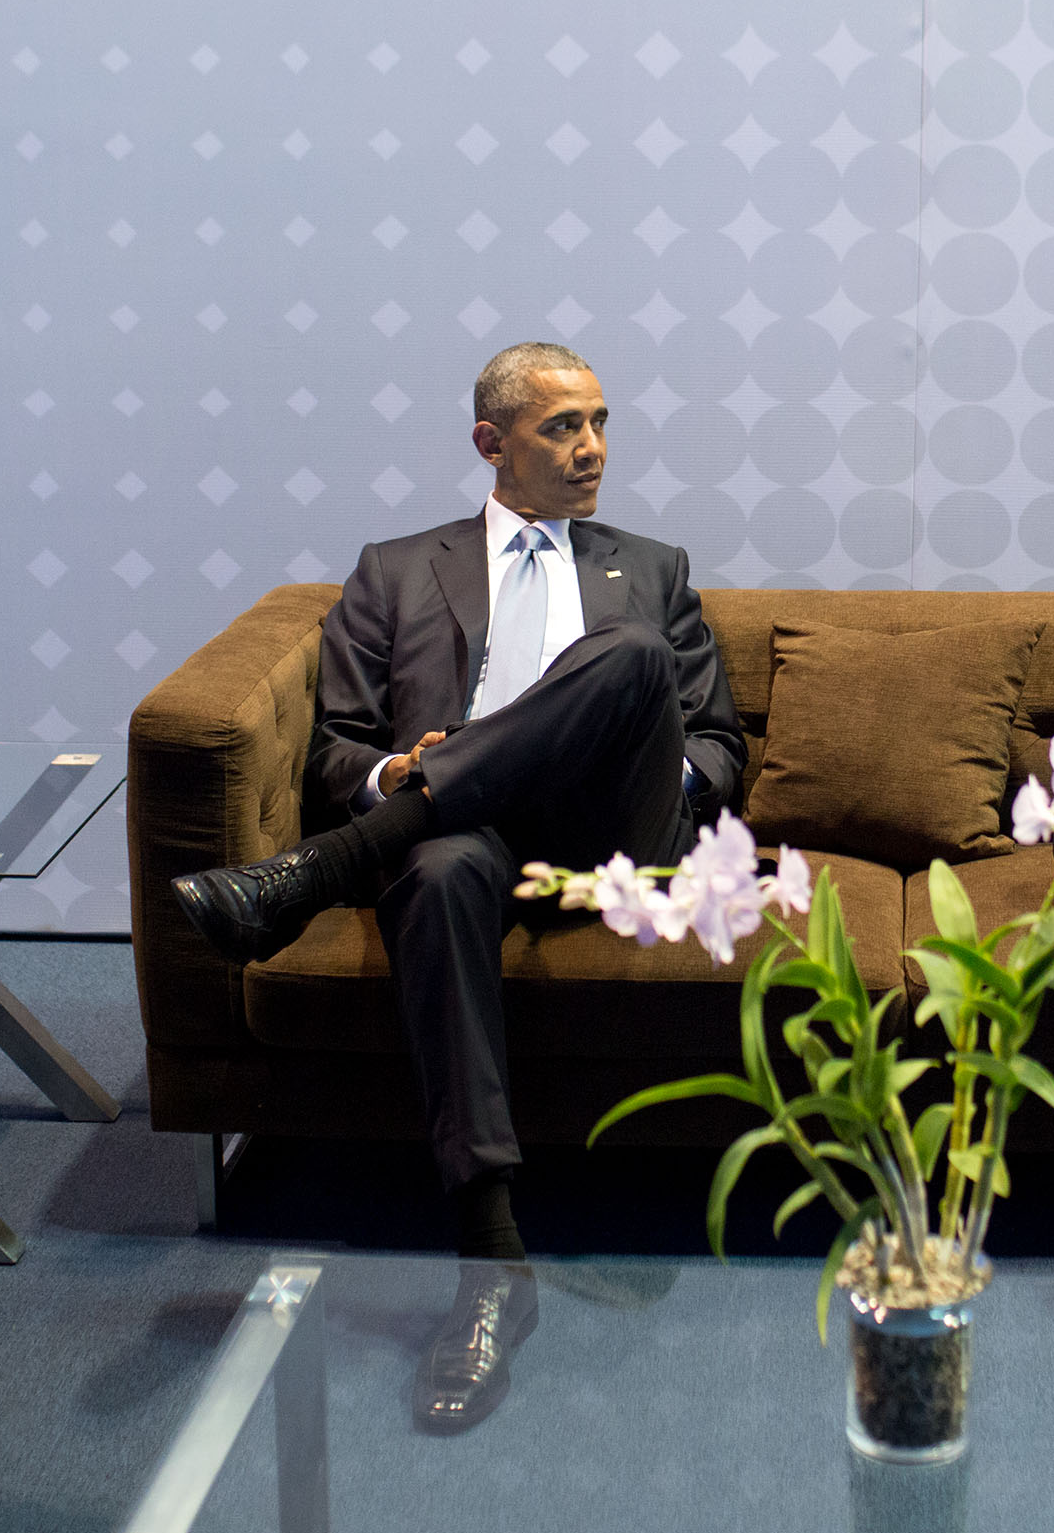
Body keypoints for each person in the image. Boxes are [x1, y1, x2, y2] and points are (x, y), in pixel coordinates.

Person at [168, 341, 744, 1431]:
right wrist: (400, 771)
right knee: (429, 863)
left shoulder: (650, 569)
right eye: (562, 427)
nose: (592, 449)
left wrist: (608, 740)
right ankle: (488, 1260)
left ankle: (319, 872)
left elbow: (718, 748)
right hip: (462, 838)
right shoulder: (393, 569)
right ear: (490, 443)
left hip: (612, 833)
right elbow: (338, 745)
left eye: (601, 423)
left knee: (627, 659)